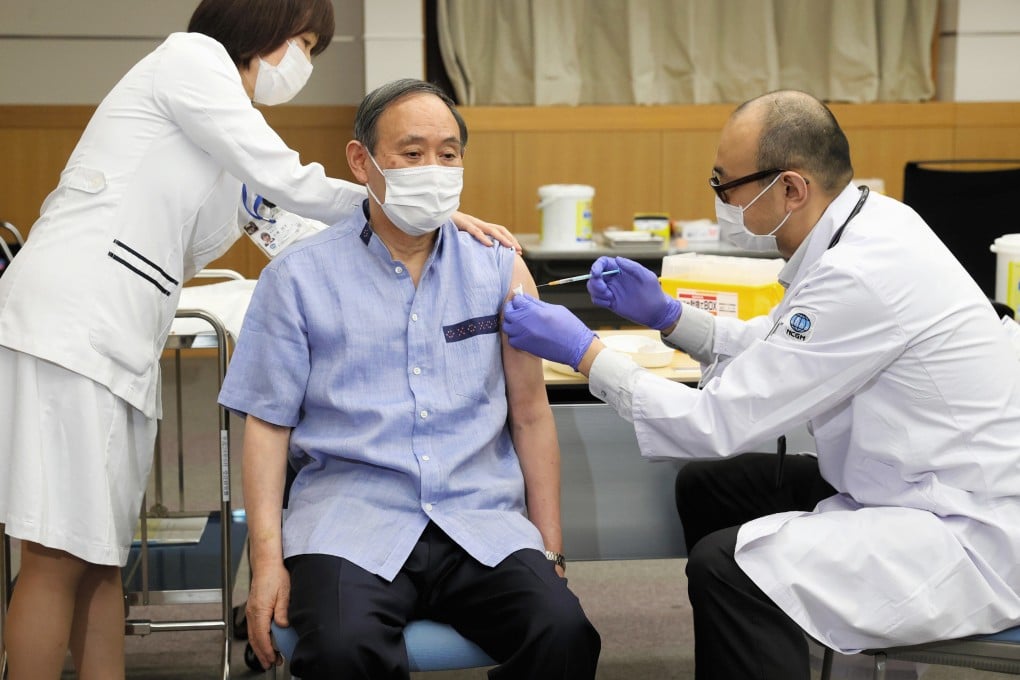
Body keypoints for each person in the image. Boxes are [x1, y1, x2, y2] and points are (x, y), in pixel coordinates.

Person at [0, 1, 516, 677]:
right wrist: (393, 200)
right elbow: (289, 180)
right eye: (304, 43)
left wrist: (426, 226)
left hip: (116, 339)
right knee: (55, 551)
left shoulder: (229, 132)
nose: (302, 62)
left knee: (100, 553)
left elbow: (285, 223)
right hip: (70, 325)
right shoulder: (193, 64)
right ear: (263, 27)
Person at [501, 89, 1020, 679]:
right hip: (908, 479)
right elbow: (790, 347)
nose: (721, 199)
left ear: (792, 189)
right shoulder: (870, 223)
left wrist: (586, 352)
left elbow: (714, 422)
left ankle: (753, 619)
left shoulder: (862, 271)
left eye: (726, 185)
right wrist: (672, 318)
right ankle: (766, 648)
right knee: (713, 489)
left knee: (727, 568)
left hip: (963, 530)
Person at [217, 78, 600, 679]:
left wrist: (550, 549)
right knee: (342, 650)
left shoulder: (500, 268)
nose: (433, 169)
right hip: (349, 520)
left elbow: (529, 413)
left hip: (479, 517)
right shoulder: (297, 278)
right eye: (412, 153)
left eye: (448, 155)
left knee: (564, 632)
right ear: (360, 161)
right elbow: (267, 427)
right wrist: (267, 561)